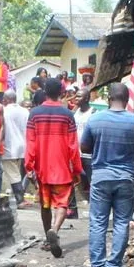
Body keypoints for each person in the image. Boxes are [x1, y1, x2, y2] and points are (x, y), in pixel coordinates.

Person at [80, 83, 134, 267]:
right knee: (121, 222)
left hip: (101, 177)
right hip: (126, 178)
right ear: (127, 100)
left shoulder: (95, 120)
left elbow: (84, 147)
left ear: (109, 99)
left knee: (98, 223)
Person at [23, 76, 83, 257]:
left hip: (42, 169)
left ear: (44, 92)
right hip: (63, 168)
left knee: (45, 205)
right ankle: (55, 231)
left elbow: (31, 143)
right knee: (62, 204)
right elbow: (73, 145)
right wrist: (77, 169)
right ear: (62, 93)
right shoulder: (67, 115)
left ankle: (48, 236)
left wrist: (29, 166)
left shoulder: (34, 114)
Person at [0, 90, 28, 203]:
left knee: (13, 174)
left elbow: (2, 129)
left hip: (9, 146)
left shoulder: (4, 111)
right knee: (17, 172)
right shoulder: (25, 111)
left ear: (6, 99)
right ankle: (19, 197)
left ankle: (20, 199)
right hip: (23, 146)